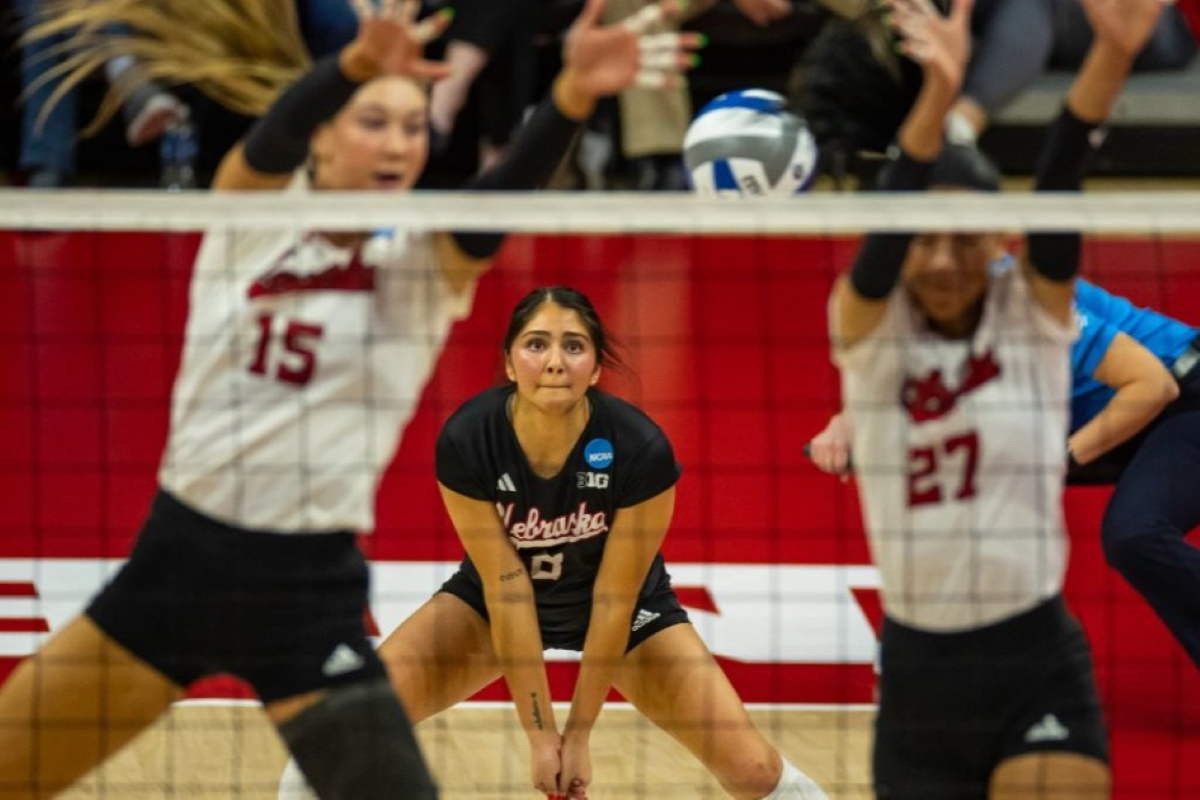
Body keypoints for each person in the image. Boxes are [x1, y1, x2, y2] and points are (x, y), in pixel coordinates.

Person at [0, 1, 698, 797]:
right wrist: (356, 65)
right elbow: (266, 144)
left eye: (412, 129)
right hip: (176, 568)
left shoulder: (422, 274)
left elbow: (501, 196)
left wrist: (572, 94)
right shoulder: (250, 222)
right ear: (324, 137)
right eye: (375, 121)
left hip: (308, 596)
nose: (399, 144)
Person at [279, 287, 830, 799]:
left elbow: (615, 598)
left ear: (594, 368)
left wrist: (578, 733)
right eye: (536, 344)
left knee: (753, 769)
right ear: (508, 361)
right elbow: (506, 585)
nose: (554, 361)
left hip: (627, 613)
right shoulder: (469, 440)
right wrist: (542, 737)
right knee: (340, 731)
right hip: (492, 607)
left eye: (574, 346)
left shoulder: (640, 449)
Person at [828, 0, 1169, 795]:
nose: (944, 258)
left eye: (968, 236)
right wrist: (936, 97)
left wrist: (1113, 56)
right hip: (919, 676)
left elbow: (1059, 177)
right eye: (927, 236)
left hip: (1035, 658)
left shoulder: (1036, 316)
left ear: (1001, 242)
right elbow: (886, 231)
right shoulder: (869, 334)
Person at [810, 272, 1200, 671]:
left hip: (1183, 395)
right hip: (1110, 422)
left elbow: (1153, 386)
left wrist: (1058, 460)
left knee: (1134, 533)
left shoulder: (1021, 298)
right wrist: (846, 422)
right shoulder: (914, 306)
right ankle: (945, 650)